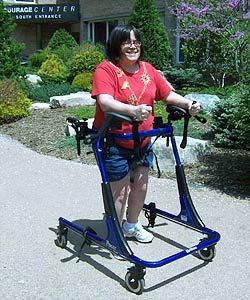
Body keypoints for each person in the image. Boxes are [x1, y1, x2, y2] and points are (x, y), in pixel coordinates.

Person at [91, 24, 200, 243]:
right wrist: (132, 111)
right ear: (117, 45)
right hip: (114, 139)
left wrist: (188, 104)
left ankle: (131, 225)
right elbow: (105, 102)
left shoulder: (148, 70)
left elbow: (167, 94)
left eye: (136, 41)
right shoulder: (107, 69)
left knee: (140, 185)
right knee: (120, 190)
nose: (132, 46)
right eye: (126, 42)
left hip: (142, 140)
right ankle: (115, 233)